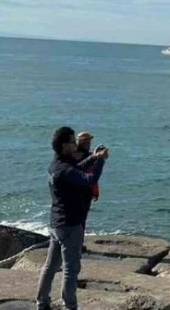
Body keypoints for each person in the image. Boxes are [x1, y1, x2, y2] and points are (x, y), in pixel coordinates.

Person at [36, 126, 108, 310]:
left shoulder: (56, 165)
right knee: (70, 269)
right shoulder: (65, 170)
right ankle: (70, 306)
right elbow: (89, 179)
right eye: (71, 141)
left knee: (50, 266)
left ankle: (42, 302)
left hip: (56, 224)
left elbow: (76, 169)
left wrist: (93, 156)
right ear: (63, 145)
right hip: (70, 225)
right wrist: (100, 161)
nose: (75, 144)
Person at [74, 132, 100, 202]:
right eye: (88, 142)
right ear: (84, 143)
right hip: (85, 190)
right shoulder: (88, 157)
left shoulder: (71, 155)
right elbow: (91, 176)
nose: (90, 144)